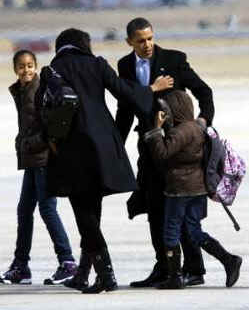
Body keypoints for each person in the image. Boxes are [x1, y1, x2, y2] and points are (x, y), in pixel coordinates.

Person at [40, 28, 174, 294]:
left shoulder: (52, 70)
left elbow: (42, 110)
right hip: (102, 147)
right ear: (83, 45)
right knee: (93, 211)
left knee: (84, 215)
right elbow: (124, 93)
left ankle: (105, 275)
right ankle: (83, 274)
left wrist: (49, 142)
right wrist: (151, 89)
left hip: (72, 149)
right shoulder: (97, 64)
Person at [115, 17, 215, 287]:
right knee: (154, 207)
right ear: (129, 42)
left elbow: (204, 91)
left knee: (179, 208)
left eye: (150, 38)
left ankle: (194, 269)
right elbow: (125, 109)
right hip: (148, 146)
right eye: (140, 41)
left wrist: (203, 122)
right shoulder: (124, 66)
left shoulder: (173, 59)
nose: (147, 45)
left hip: (176, 148)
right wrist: (115, 145)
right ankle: (165, 266)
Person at [143, 90, 242, 289]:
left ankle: (174, 277)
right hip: (198, 188)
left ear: (175, 109)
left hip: (180, 188)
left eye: (167, 109)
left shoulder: (181, 132)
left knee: (170, 231)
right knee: (194, 230)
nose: (165, 112)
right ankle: (229, 260)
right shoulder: (197, 127)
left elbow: (162, 154)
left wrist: (156, 130)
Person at [0, 50, 77, 285]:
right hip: (33, 159)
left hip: (43, 158)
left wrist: (26, 143)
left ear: (36, 66)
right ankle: (21, 266)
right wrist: (23, 143)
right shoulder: (21, 90)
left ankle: (68, 262)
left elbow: (49, 126)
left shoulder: (37, 89)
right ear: (15, 69)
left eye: (30, 65)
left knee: (47, 208)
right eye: (22, 66)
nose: (26, 70)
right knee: (24, 211)